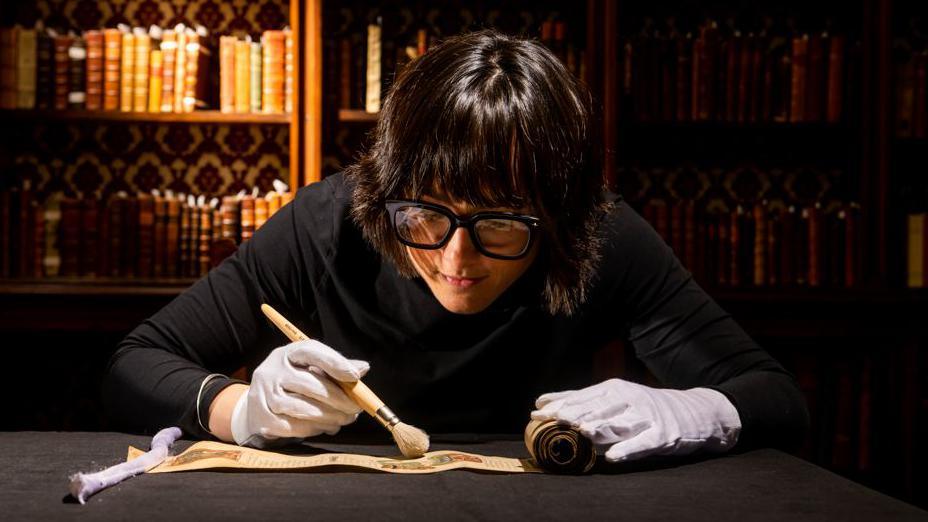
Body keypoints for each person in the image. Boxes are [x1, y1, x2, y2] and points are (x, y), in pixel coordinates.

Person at [104, 30, 808, 462]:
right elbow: (134, 362)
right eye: (426, 217)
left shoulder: (603, 234)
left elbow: (776, 397)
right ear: (386, 195)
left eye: (501, 224)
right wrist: (242, 412)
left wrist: (692, 412)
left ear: (559, 214)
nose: (456, 260)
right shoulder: (327, 222)